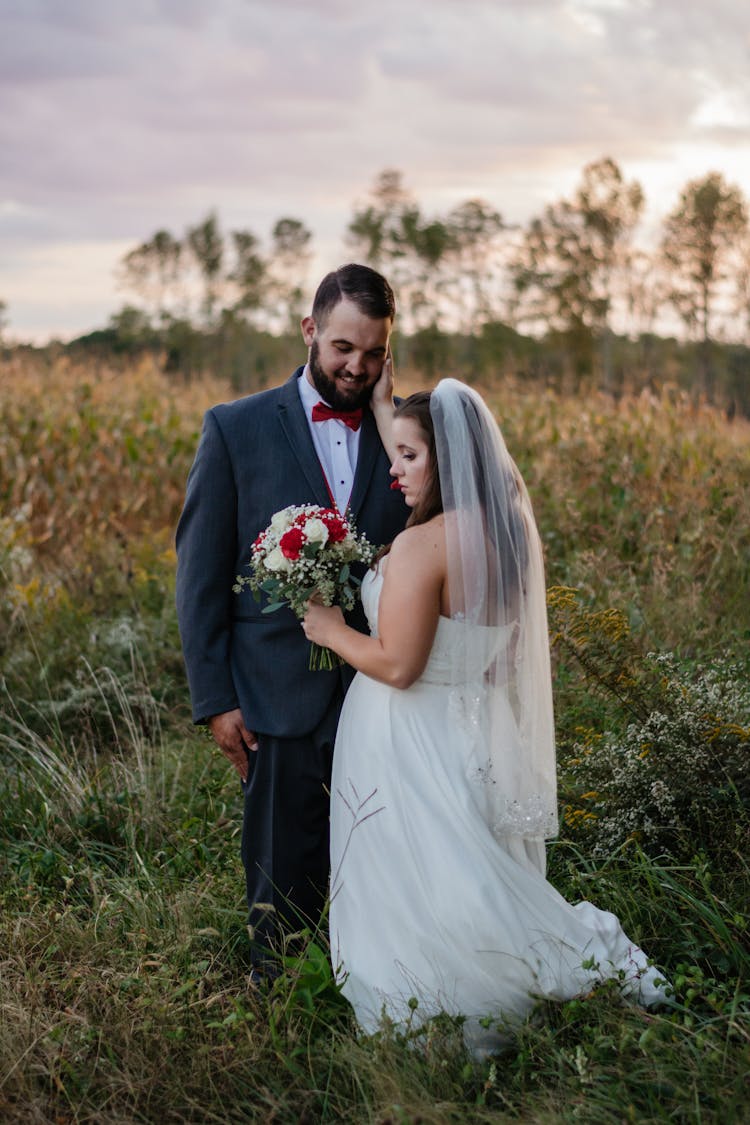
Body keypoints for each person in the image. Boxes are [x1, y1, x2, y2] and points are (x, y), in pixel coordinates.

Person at [302, 378, 666, 1055]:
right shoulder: (507, 535)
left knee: (421, 874)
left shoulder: (421, 547)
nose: (393, 470)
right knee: (463, 866)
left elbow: (398, 663)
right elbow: (500, 658)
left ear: (444, 459)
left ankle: (431, 997)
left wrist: (328, 628)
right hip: (471, 726)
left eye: (408, 456)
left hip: (406, 732)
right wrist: (387, 410)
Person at [175, 264, 408, 973]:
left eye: (373, 352)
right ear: (309, 329)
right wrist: (217, 700)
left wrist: (392, 415)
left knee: (382, 857)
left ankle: (369, 984)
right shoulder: (235, 428)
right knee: (281, 874)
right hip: (274, 693)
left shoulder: (405, 434)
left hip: (382, 691)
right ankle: (278, 997)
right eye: (343, 347)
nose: (356, 366)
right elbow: (201, 575)